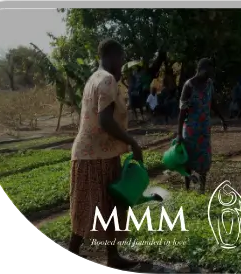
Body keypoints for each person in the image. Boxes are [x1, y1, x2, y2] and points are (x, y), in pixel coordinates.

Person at [69, 39, 144, 270]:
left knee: (93, 208)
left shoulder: (94, 78)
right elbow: (105, 120)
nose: (122, 64)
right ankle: (92, 253)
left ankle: (112, 256)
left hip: (90, 154)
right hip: (96, 156)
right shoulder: (107, 80)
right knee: (103, 207)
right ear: (113, 57)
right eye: (121, 59)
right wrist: (133, 142)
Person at [177, 58, 227, 194]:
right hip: (191, 130)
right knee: (188, 159)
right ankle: (187, 188)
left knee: (204, 158)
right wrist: (179, 134)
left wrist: (222, 118)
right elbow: (182, 111)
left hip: (204, 129)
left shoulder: (209, 84)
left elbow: (213, 102)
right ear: (203, 70)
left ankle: (202, 189)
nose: (211, 74)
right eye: (209, 71)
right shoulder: (189, 86)